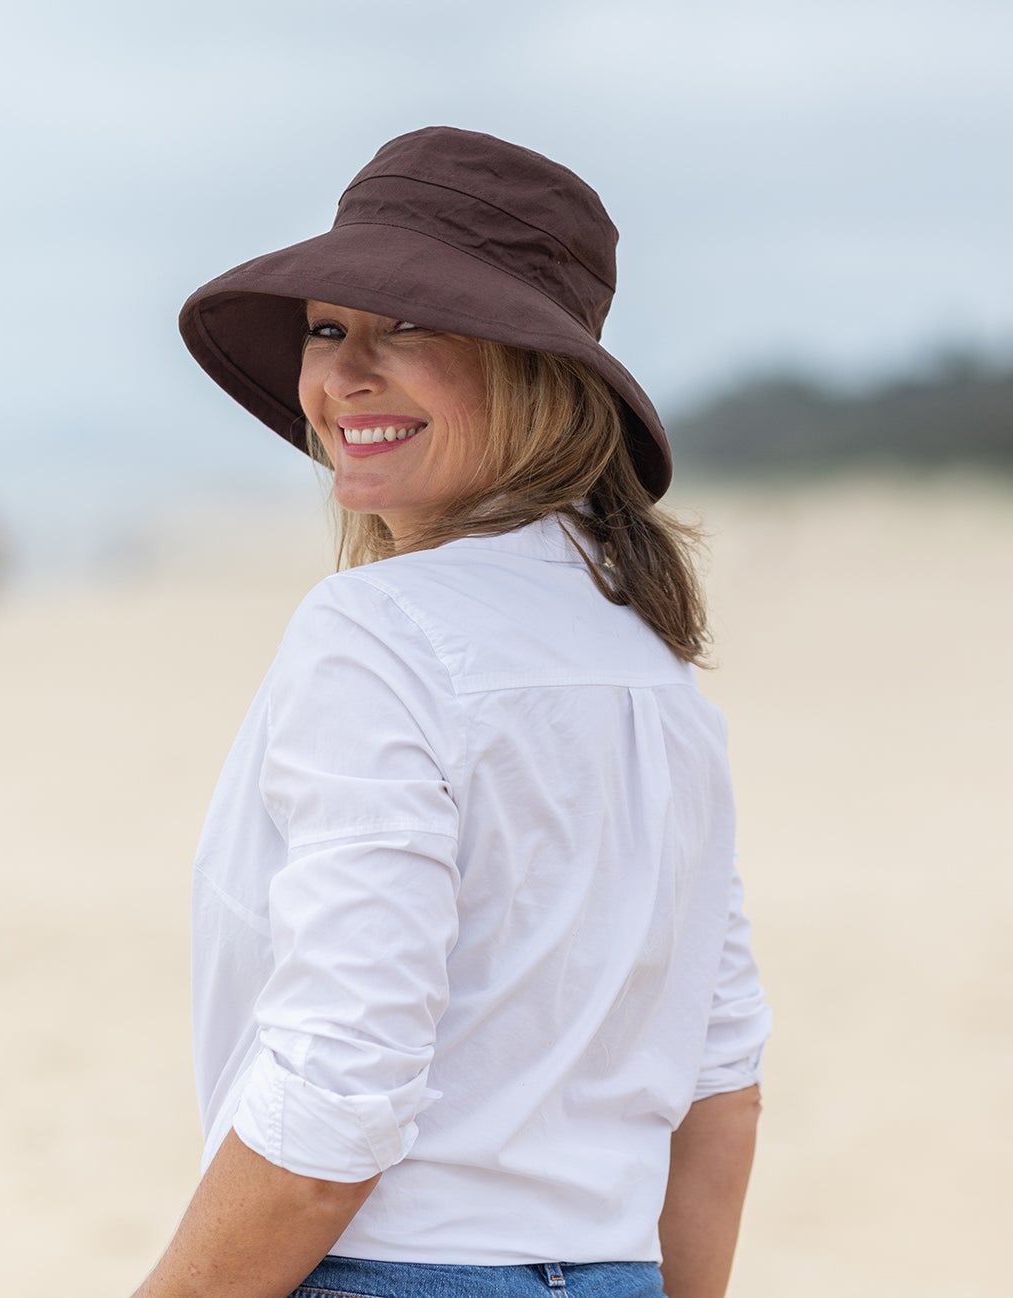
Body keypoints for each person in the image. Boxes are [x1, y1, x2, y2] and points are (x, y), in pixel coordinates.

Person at [139, 126, 772, 1298]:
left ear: (534, 372)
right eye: (326, 329)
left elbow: (337, 1095)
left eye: (407, 327)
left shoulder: (376, 628)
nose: (343, 376)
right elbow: (718, 1078)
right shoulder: (646, 656)